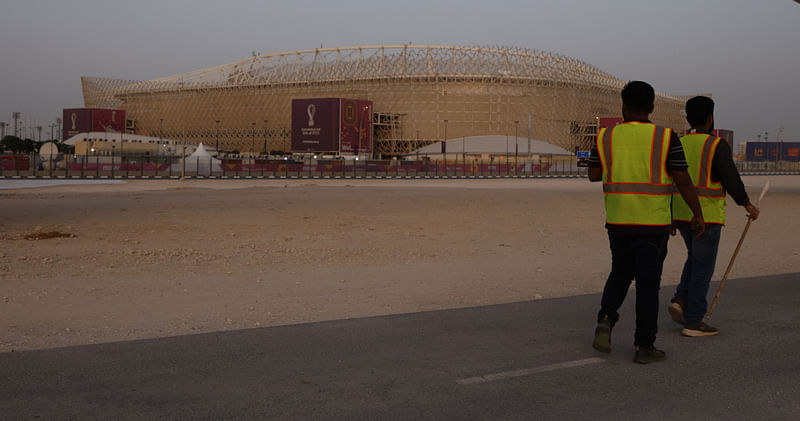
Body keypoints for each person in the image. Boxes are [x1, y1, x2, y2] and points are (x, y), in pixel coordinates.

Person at [588, 81, 705, 364]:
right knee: (648, 284)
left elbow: (593, 174)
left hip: (617, 221)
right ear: (652, 106)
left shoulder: (605, 137)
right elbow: (683, 179)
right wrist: (697, 213)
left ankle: (606, 318)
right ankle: (644, 346)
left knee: (619, 273)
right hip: (652, 225)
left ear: (623, 106)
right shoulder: (665, 138)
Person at [668, 96, 760, 336]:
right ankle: (694, 320)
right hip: (706, 215)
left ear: (688, 118)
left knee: (695, 258)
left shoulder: (678, 143)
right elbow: (730, 178)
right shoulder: (716, 145)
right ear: (710, 119)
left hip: (679, 212)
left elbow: (670, 179)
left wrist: (669, 214)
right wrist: (746, 204)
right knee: (703, 267)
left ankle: (680, 299)